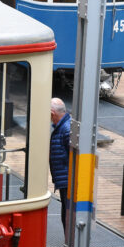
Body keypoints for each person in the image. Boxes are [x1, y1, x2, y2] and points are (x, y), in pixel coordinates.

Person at [50, 98, 71, 232]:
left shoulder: (66, 129)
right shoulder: (62, 127)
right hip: (65, 179)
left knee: (68, 214)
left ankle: (71, 244)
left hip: (68, 180)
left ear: (52, 113)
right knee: (66, 213)